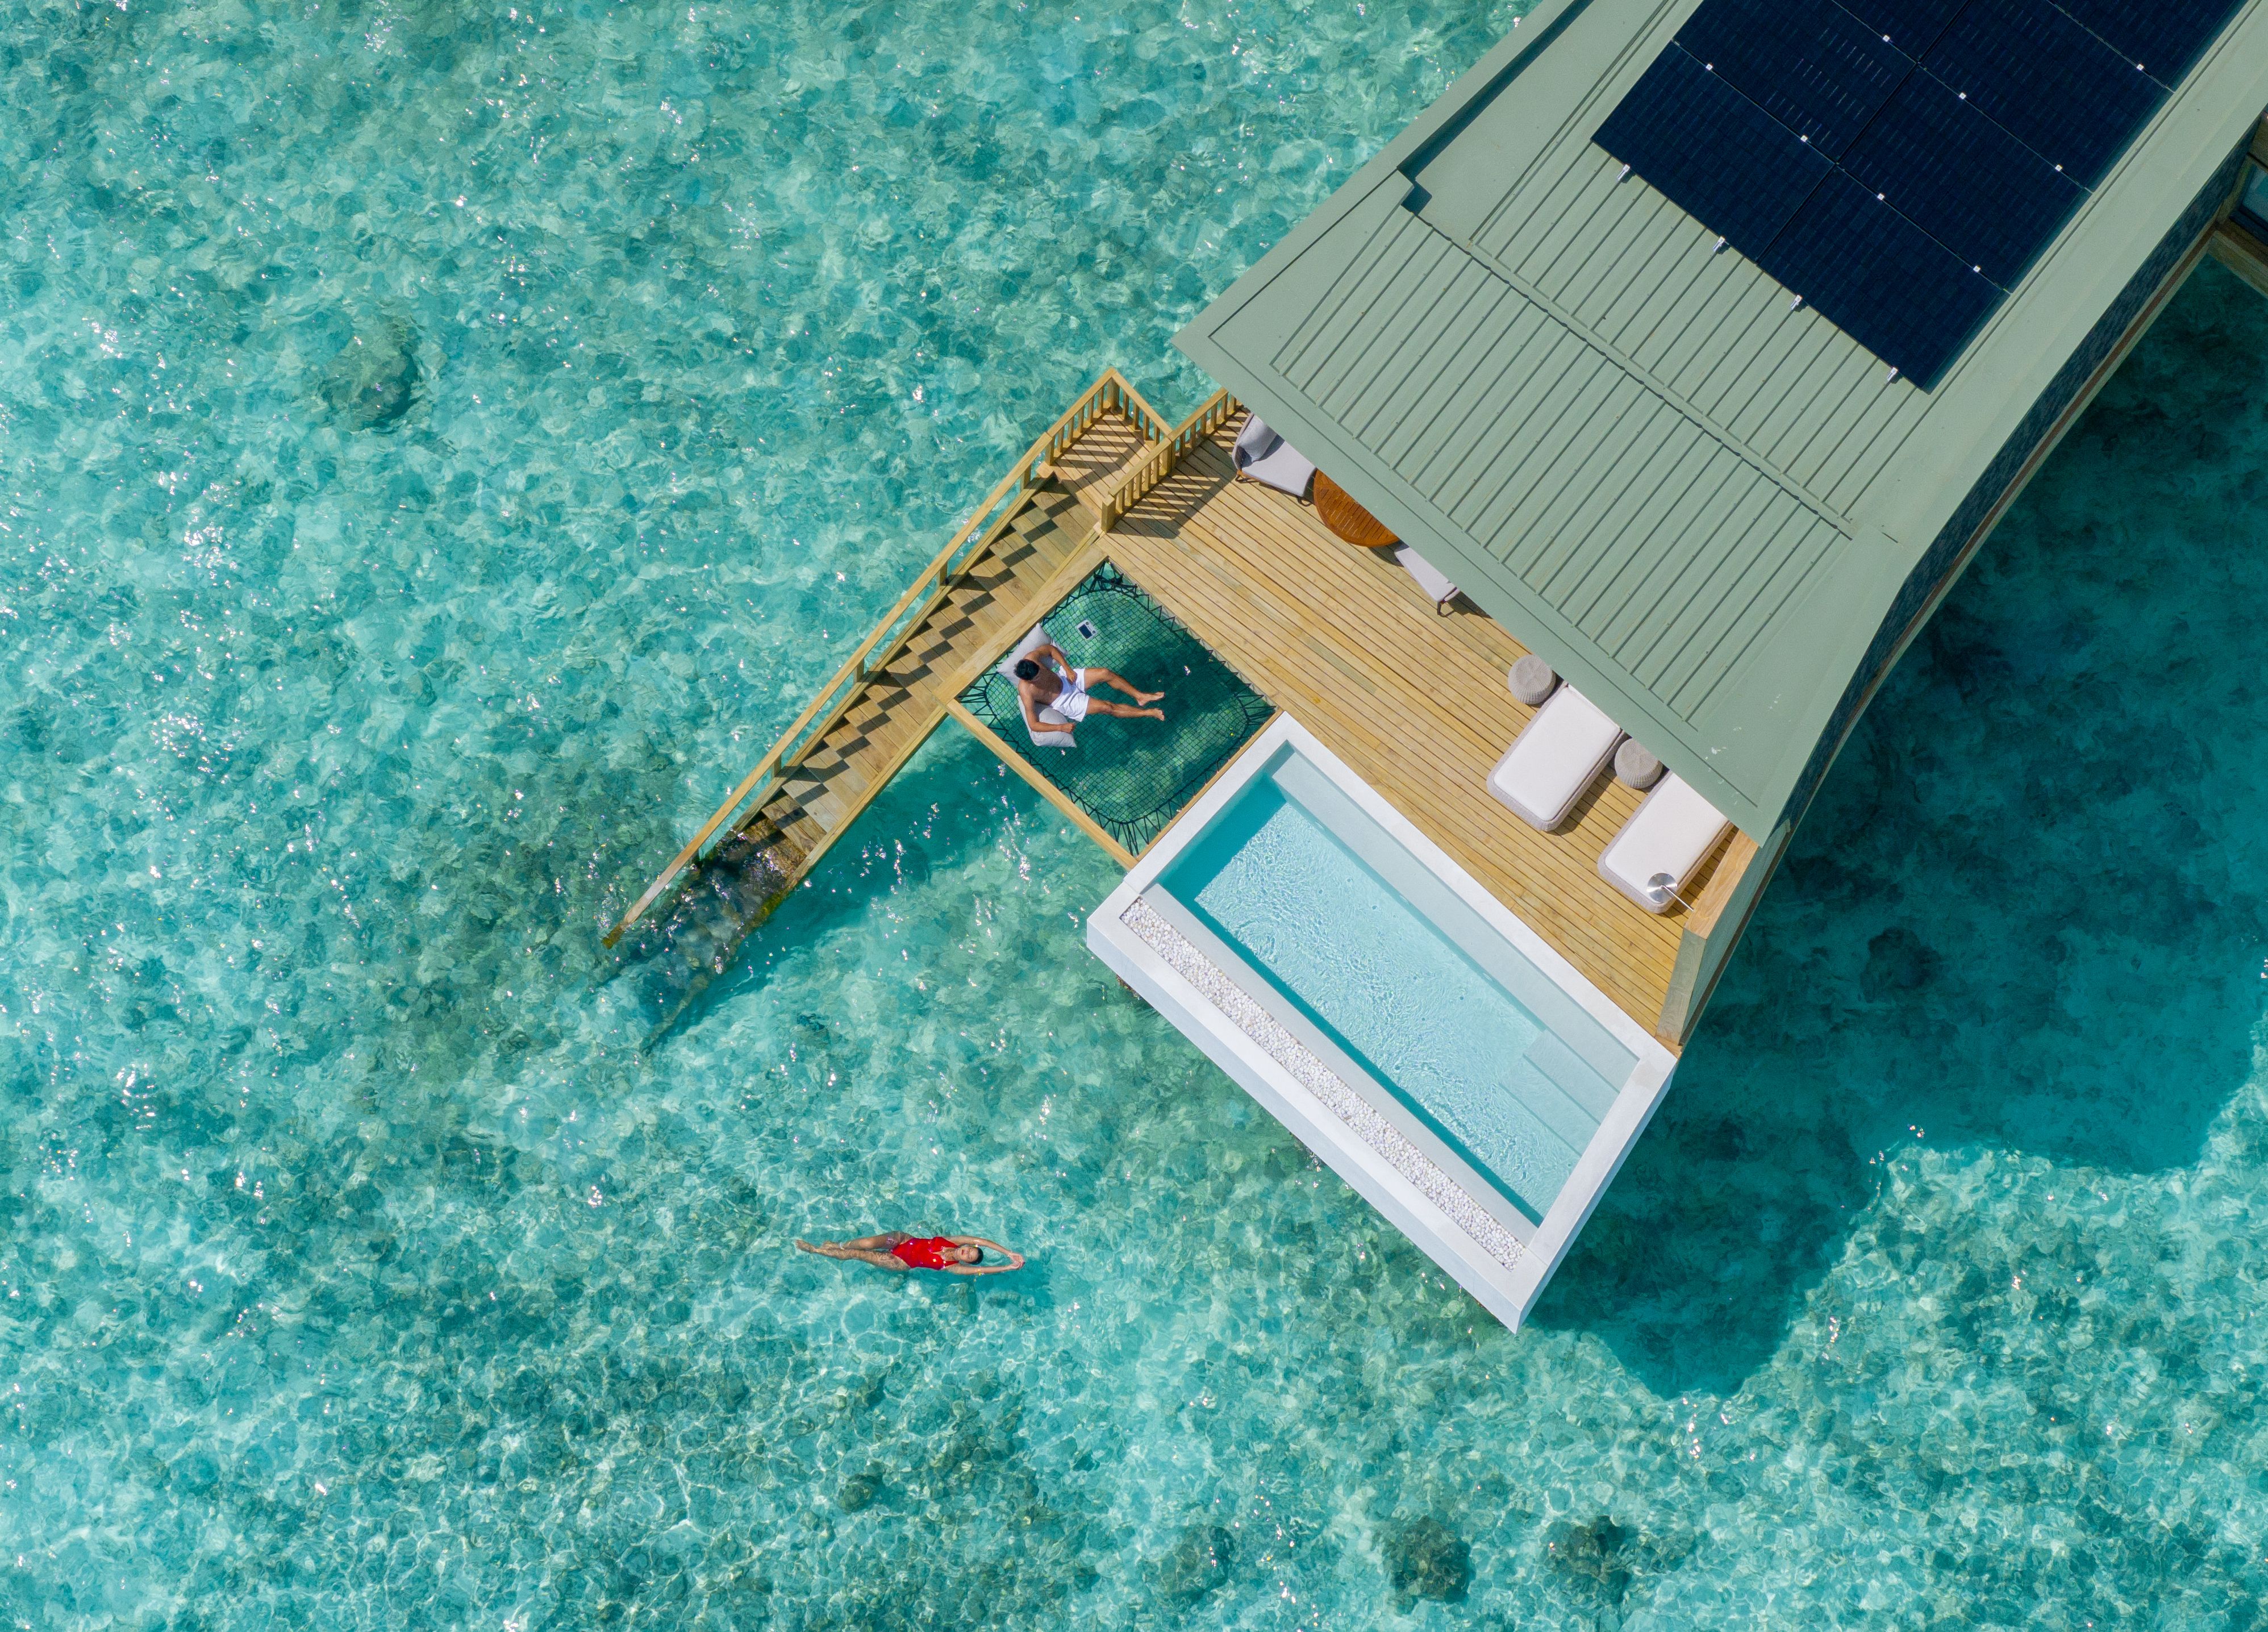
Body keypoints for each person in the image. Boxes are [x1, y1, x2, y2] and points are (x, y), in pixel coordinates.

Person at [1011, 641, 1163, 740]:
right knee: (1107, 707)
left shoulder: (1032, 658)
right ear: (1028, 680)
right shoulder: (1026, 691)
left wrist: (1067, 669)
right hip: (1064, 701)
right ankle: (1148, 713)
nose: (1041, 677)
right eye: (1037, 678)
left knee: (1105, 673)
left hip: (1065, 679)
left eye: (1040, 672)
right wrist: (1060, 727)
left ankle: (1140, 697)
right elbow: (1033, 725)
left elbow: (1050, 650)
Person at [795, 1230, 1027, 1276]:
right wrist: (1008, 1252)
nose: (966, 1252)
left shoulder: (953, 1268)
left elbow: (982, 1270)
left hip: (899, 1261)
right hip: (904, 1240)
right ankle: (839, 1244)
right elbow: (981, 1240)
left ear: (966, 1262)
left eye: (969, 1257)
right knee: (867, 1243)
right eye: (969, 1250)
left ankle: (816, 1250)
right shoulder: (954, 1241)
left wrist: (1007, 1267)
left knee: (858, 1255)